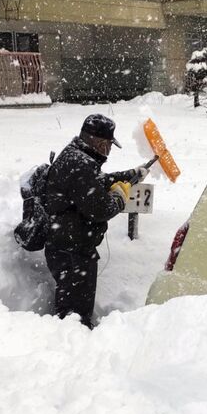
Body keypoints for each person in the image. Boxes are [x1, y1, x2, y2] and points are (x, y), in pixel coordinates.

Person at [42, 114, 146, 328]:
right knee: (75, 317)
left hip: (66, 246)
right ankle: (75, 347)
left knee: (69, 310)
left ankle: (69, 339)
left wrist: (131, 175)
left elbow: (97, 182)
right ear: (97, 142)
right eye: (108, 145)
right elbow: (100, 209)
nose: (108, 151)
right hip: (73, 253)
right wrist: (120, 197)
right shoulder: (81, 164)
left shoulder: (76, 157)